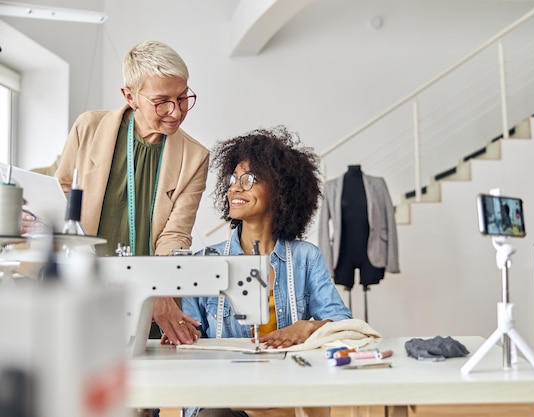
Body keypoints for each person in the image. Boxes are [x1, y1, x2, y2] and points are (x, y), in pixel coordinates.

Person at [181, 126, 352, 417]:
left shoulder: (305, 259)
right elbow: (189, 346)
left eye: (249, 179)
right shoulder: (205, 262)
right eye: (233, 179)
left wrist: (307, 327)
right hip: (223, 396)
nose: (235, 187)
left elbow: (344, 326)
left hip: (284, 393)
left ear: (280, 189)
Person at [51, 40, 208, 345]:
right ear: (130, 95)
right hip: (86, 290)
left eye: (183, 97)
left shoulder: (194, 157)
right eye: (161, 101)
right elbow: (62, 198)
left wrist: (154, 291)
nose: (175, 112)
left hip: (151, 305)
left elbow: (175, 235)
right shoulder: (88, 128)